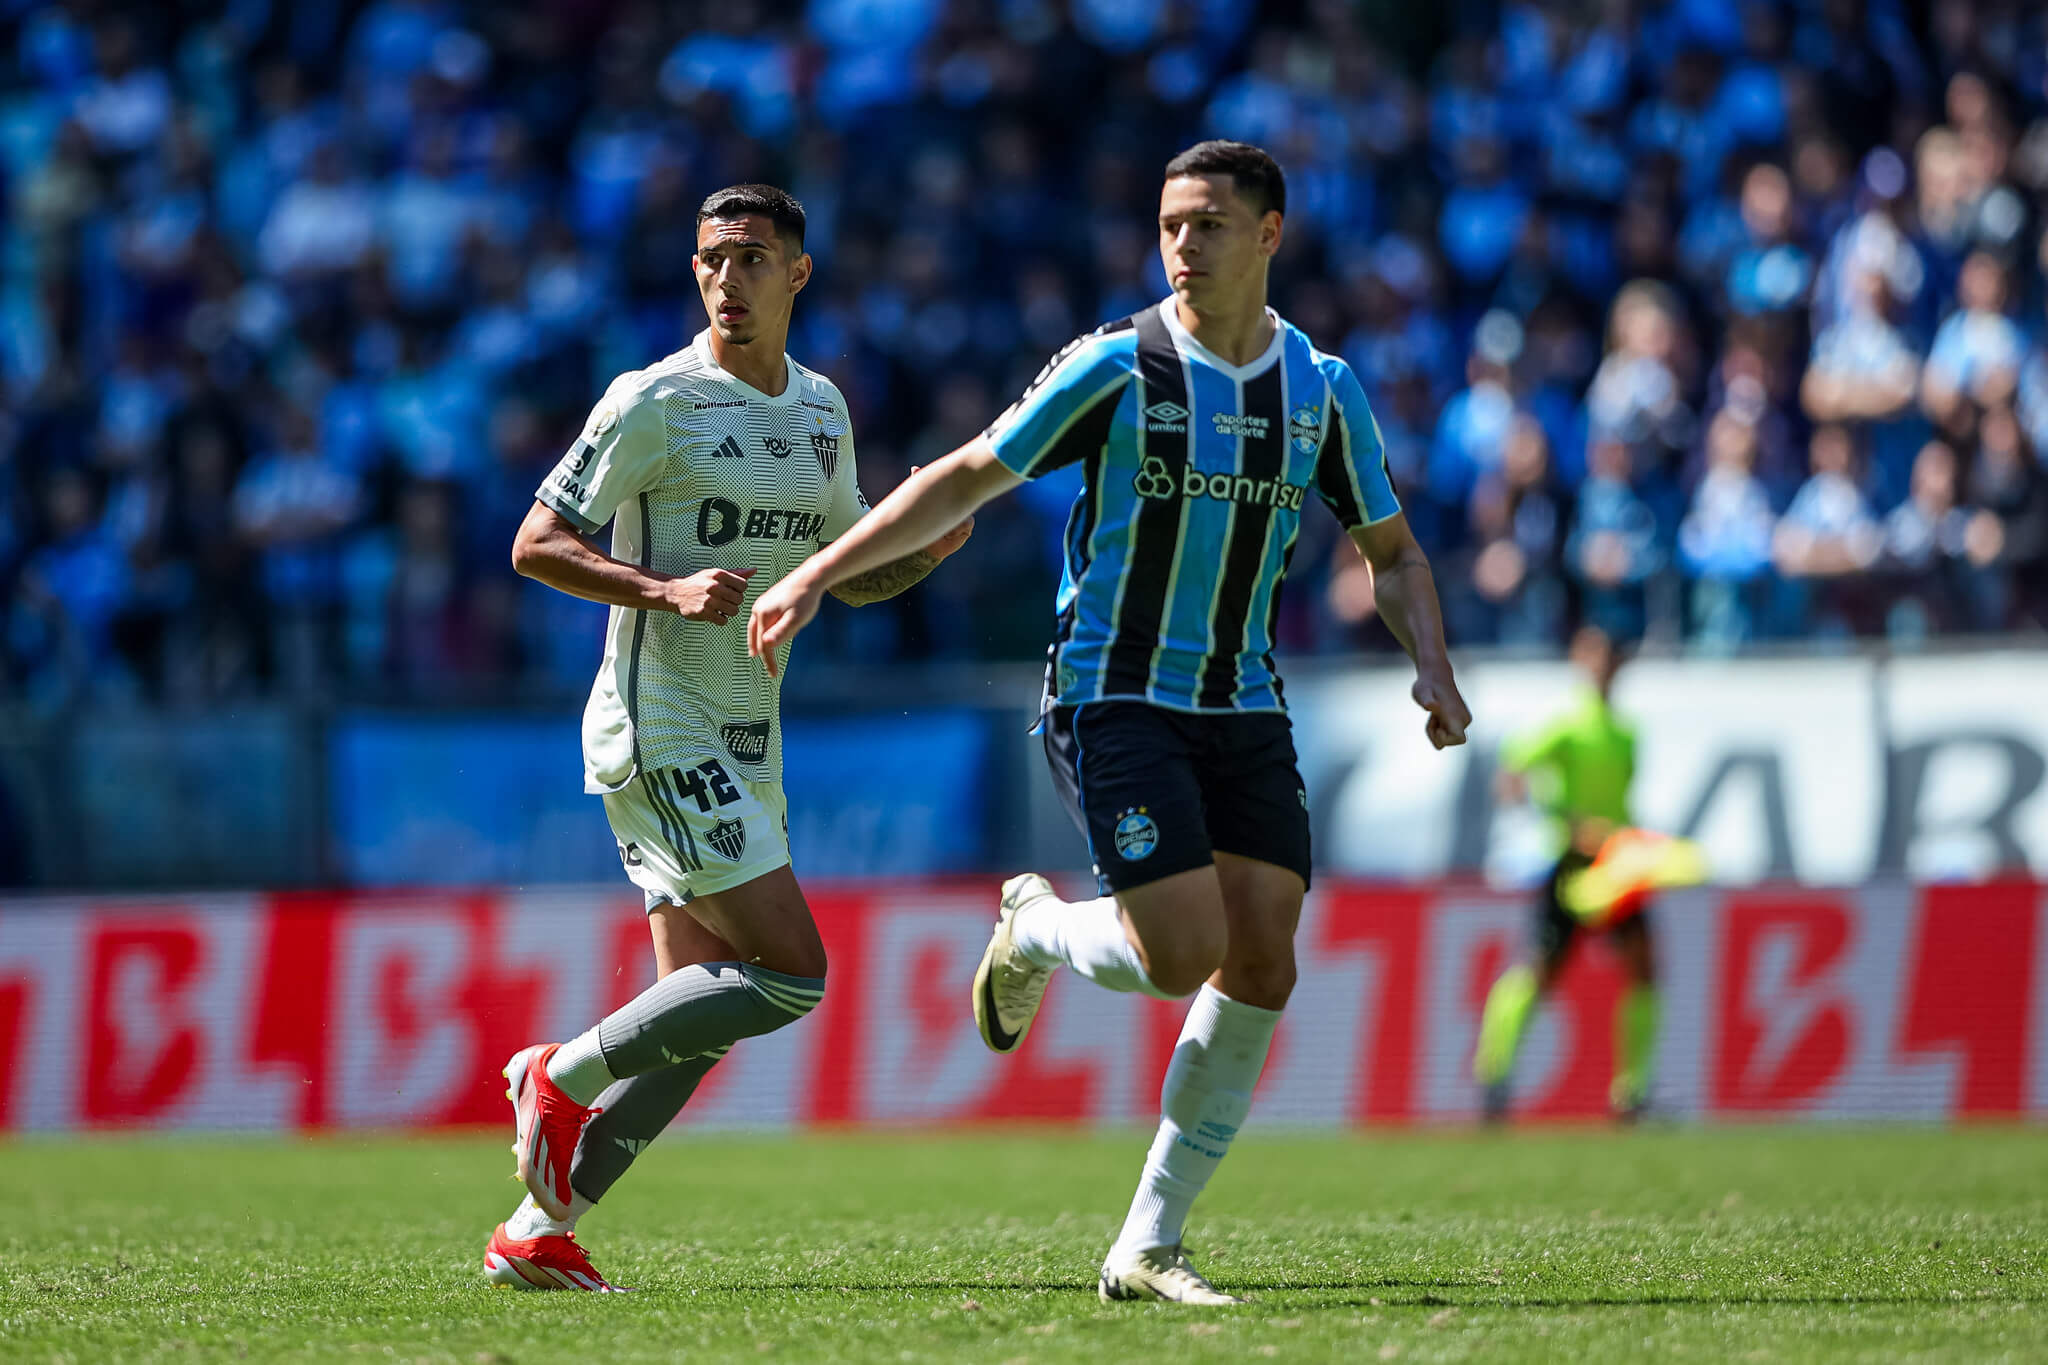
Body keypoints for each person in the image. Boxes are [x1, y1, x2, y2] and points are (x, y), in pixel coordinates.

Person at [749, 141, 1470, 1305]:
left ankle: (1145, 1244)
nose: (1183, 245)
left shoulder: (1322, 390)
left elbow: (1391, 553)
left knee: (1265, 958)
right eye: (1169, 224)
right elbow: (968, 472)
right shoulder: (1116, 367)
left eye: (1210, 225)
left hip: (1241, 697)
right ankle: (1032, 928)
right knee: (1181, 950)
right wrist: (819, 574)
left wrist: (1430, 666)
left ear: (1269, 234)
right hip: (1112, 690)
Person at [482, 184, 973, 1292]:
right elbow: (533, 543)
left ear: (798, 275)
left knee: (697, 1011)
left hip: (746, 736)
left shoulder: (821, 412)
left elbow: (847, 572)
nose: (725, 279)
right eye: (709, 259)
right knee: (793, 975)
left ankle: (534, 1228)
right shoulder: (654, 398)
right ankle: (554, 1070)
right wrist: (661, 589)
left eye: (750, 258)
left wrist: (930, 545)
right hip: (657, 724)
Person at [1472, 625, 1657, 1122]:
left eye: (1609, 657)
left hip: (1616, 864)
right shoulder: (1566, 724)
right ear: (1580, 661)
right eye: (1593, 657)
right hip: (1572, 864)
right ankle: (1494, 1073)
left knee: (1643, 968)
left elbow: (1622, 797)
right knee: (1540, 970)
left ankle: (1632, 1093)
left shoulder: (1626, 732)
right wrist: (1557, 818)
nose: (1601, 666)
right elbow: (1512, 771)